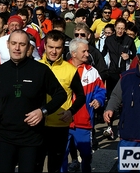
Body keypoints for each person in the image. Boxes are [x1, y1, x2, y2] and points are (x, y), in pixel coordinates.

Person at [0, 30, 67, 172]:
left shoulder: (40, 70)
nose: (17, 48)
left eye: (22, 44)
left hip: (32, 138)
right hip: (5, 136)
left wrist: (43, 111)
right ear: (8, 45)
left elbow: (60, 95)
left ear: (28, 47)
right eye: (14, 43)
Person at [36, 30, 85, 173]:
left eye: (58, 48)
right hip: (38, 124)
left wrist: (71, 112)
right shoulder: (36, 66)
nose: (53, 51)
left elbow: (81, 96)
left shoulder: (70, 69)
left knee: (55, 166)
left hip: (59, 125)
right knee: (36, 163)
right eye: (50, 47)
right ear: (45, 46)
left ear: (63, 48)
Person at [61, 38, 106, 173]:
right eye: (84, 51)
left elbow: (101, 90)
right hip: (62, 121)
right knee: (62, 155)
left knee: (86, 155)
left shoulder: (92, 72)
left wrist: (99, 100)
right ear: (74, 53)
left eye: (88, 51)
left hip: (83, 121)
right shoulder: (61, 69)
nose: (88, 54)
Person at [101, 18, 136, 139]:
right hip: (111, 73)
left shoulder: (129, 40)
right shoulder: (109, 40)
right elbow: (103, 54)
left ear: (125, 29)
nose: (120, 30)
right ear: (115, 28)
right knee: (111, 99)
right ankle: (109, 127)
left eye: (122, 28)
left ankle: (122, 126)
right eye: (118, 28)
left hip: (124, 74)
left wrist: (129, 56)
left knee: (124, 101)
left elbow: (135, 55)